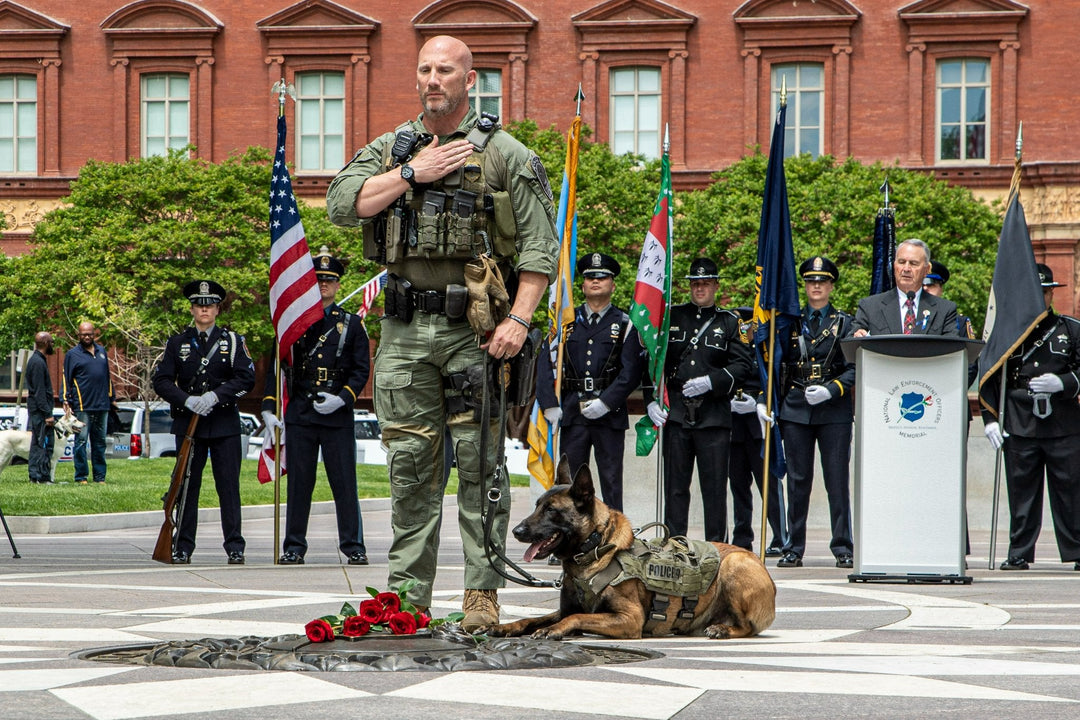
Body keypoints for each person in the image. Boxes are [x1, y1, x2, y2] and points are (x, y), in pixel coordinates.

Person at [325, 35, 558, 630]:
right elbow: (342, 204)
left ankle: (482, 592)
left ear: (469, 80)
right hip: (403, 333)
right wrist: (411, 172)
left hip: (474, 333)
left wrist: (519, 320)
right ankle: (407, 599)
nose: (433, 79)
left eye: (445, 70)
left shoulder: (506, 153)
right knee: (410, 469)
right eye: (425, 69)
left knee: (481, 466)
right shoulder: (392, 148)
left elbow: (539, 251)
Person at [261, 248, 371, 567]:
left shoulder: (351, 325)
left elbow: (361, 369)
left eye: (329, 281)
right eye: (318, 280)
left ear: (338, 286)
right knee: (299, 485)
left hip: (337, 416)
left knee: (344, 485)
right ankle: (294, 546)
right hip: (301, 415)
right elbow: (276, 368)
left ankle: (354, 546)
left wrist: (344, 397)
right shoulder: (291, 323)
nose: (323, 285)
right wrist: (269, 408)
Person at [981, 264, 1080, 572]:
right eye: (1034, 292)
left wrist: (1063, 383)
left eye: (1045, 291)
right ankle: (1019, 551)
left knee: (1071, 491)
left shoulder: (1070, 329)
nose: (1040, 297)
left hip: (1063, 421)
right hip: (1020, 420)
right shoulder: (1007, 333)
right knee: (1022, 492)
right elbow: (991, 376)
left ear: (1051, 294)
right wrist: (990, 419)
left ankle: (1077, 550)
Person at [646, 258, 752, 542]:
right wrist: (651, 399)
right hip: (678, 413)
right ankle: (674, 546)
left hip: (714, 415)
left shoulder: (730, 322)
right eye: (695, 283)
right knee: (676, 488)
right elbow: (652, 360)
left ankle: (717, 548)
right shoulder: (672, 316)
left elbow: (743, 366)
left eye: (706, 283)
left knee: (715, 489)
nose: (700, 288)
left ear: (716, 285)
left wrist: (711, 382)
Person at [760, 257, 856, 568]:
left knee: (837, 481)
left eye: (822, 281)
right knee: (798, 481)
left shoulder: (846, 323)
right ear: (804, 285)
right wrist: (766, 398)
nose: (816, 286)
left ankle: (843, 546)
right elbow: (775, 363)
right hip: (796, 408)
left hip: (834, 411)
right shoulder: (789, 322)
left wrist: (832, 389)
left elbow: (855, 368)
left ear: (831, 286)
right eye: (811, 281)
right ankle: (793, 546)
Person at [152, 281, 255, 564]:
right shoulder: (178, 343)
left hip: (223, 423)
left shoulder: (233, 341)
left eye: (210, 305)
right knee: (186, 486)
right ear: (192, 309)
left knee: (228, 487)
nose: (204, 309)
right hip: (189, 426)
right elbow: (160, 380)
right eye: (199, 305)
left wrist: (215, 396)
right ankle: (182, 546)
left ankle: (235, 545)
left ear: (218, 309)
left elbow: (246, 378)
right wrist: (186, 399)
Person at [535, 252, 645, 511]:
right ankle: (567, 540)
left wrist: (606, 402)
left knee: (611, 483)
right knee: (567, 484)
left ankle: (614, 541)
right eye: (590, 277)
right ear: (582, 285)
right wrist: (549, 404)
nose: (596, 281)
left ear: (612, 285)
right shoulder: (564, 323)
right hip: (573, 412)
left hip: (609, 414)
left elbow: (631, 372)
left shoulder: (626, 324)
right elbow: (544, 363)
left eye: (603, 277)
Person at [729, 307, 787, 555]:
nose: (746, 333)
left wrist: (758, 400)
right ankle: (742, 538)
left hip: (758, 424)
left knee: (769, 485)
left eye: (749, 327)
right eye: (742, 328)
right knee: (738, 485)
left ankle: (781, 536)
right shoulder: (732, 349)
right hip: (733, 426)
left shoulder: (764, 350)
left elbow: (773, 378)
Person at [853, 239, 960, 337]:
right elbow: (850, 346)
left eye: (913, 264)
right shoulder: (870, 306)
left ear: (926, 270)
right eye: (901, 262)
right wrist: (857, 336)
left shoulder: (945, 310)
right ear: (894, 265)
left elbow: (953, 349)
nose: (906, 268)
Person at [62, 321, 114, 484]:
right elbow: (66, 377)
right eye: (83, 334)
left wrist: (111, 397)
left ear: (94, 334)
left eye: (89, 334)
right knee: (81, 442)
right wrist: (65, 398)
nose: (86, 336)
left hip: (102, 405)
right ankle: (81, 476)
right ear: (79, 335)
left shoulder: (102, 351)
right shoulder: (72, 354)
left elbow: (107, 376)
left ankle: (100, 477)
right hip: (82, 406)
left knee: (100, 442)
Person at [26, 331, 56, 484]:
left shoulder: (38, 360)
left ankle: (37, 475)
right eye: (51, 342)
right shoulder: (37, 363)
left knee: (38, 442)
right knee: (42, 444)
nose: (53, 345)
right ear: (44, 343)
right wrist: (47, 413)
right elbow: (39, 391)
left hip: (38, 410)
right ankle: (40, 476)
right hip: (40, 411)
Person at [922, 260, 976, 339]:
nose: (925, 288)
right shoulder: (908, 319)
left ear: (941, 289)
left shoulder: (959, 322)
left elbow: (968, 350)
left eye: (931, 284)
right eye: (921, 285)